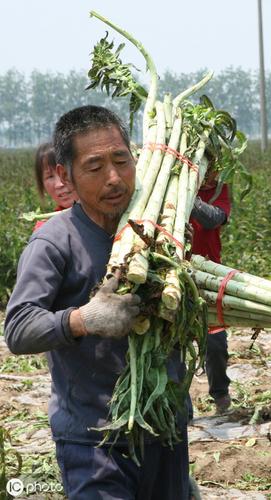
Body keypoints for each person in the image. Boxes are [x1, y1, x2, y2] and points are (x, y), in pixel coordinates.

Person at [4, 105, 190, 499]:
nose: (113, 178)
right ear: (64, 175)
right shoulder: (55, 241)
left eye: (121, 161)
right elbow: (18, 329)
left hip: (165, 429)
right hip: (95, 440)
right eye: (94, 167)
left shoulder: (162, 232)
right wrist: (82, 319)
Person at [189, 166, 233, 413]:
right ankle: (180, 406)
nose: (209, 175)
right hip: (172, 273)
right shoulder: (166, 191)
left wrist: (189, 196)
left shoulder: (219, 191)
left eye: (214, 170)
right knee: (173, 346)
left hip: (209, 278)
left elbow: (214, 218)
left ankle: (220, 394)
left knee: (215, 343)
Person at [33, 141, 77, 230]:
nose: (59, 184)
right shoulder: (44, 230)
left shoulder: (109, 216)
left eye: (65, 173)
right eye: (50, 176)